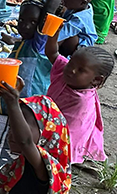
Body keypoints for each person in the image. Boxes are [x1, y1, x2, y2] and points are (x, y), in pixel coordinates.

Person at [45, 23, 112, 165]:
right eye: (71, 64)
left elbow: (71, 134)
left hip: (65, 136)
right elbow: (52, 53)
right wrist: (53, 35)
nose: (72, 70)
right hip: (51, 121)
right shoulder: (66, 71)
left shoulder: (82, 102)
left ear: (96, 80)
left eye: (80, 70)